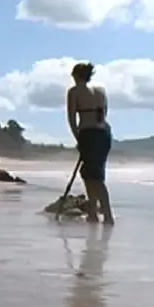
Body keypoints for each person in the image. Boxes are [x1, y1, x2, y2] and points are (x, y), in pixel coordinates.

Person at [66, 62, 114, 225]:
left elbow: (72, 119)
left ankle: (108, 215)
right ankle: (93, 213)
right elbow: (103, 115)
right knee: (90, 173)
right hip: (104, 134)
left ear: (75, 75)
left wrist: (79, 139)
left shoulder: (74, 92)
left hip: (89, 134)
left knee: (95, 177)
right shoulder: (101, 91)